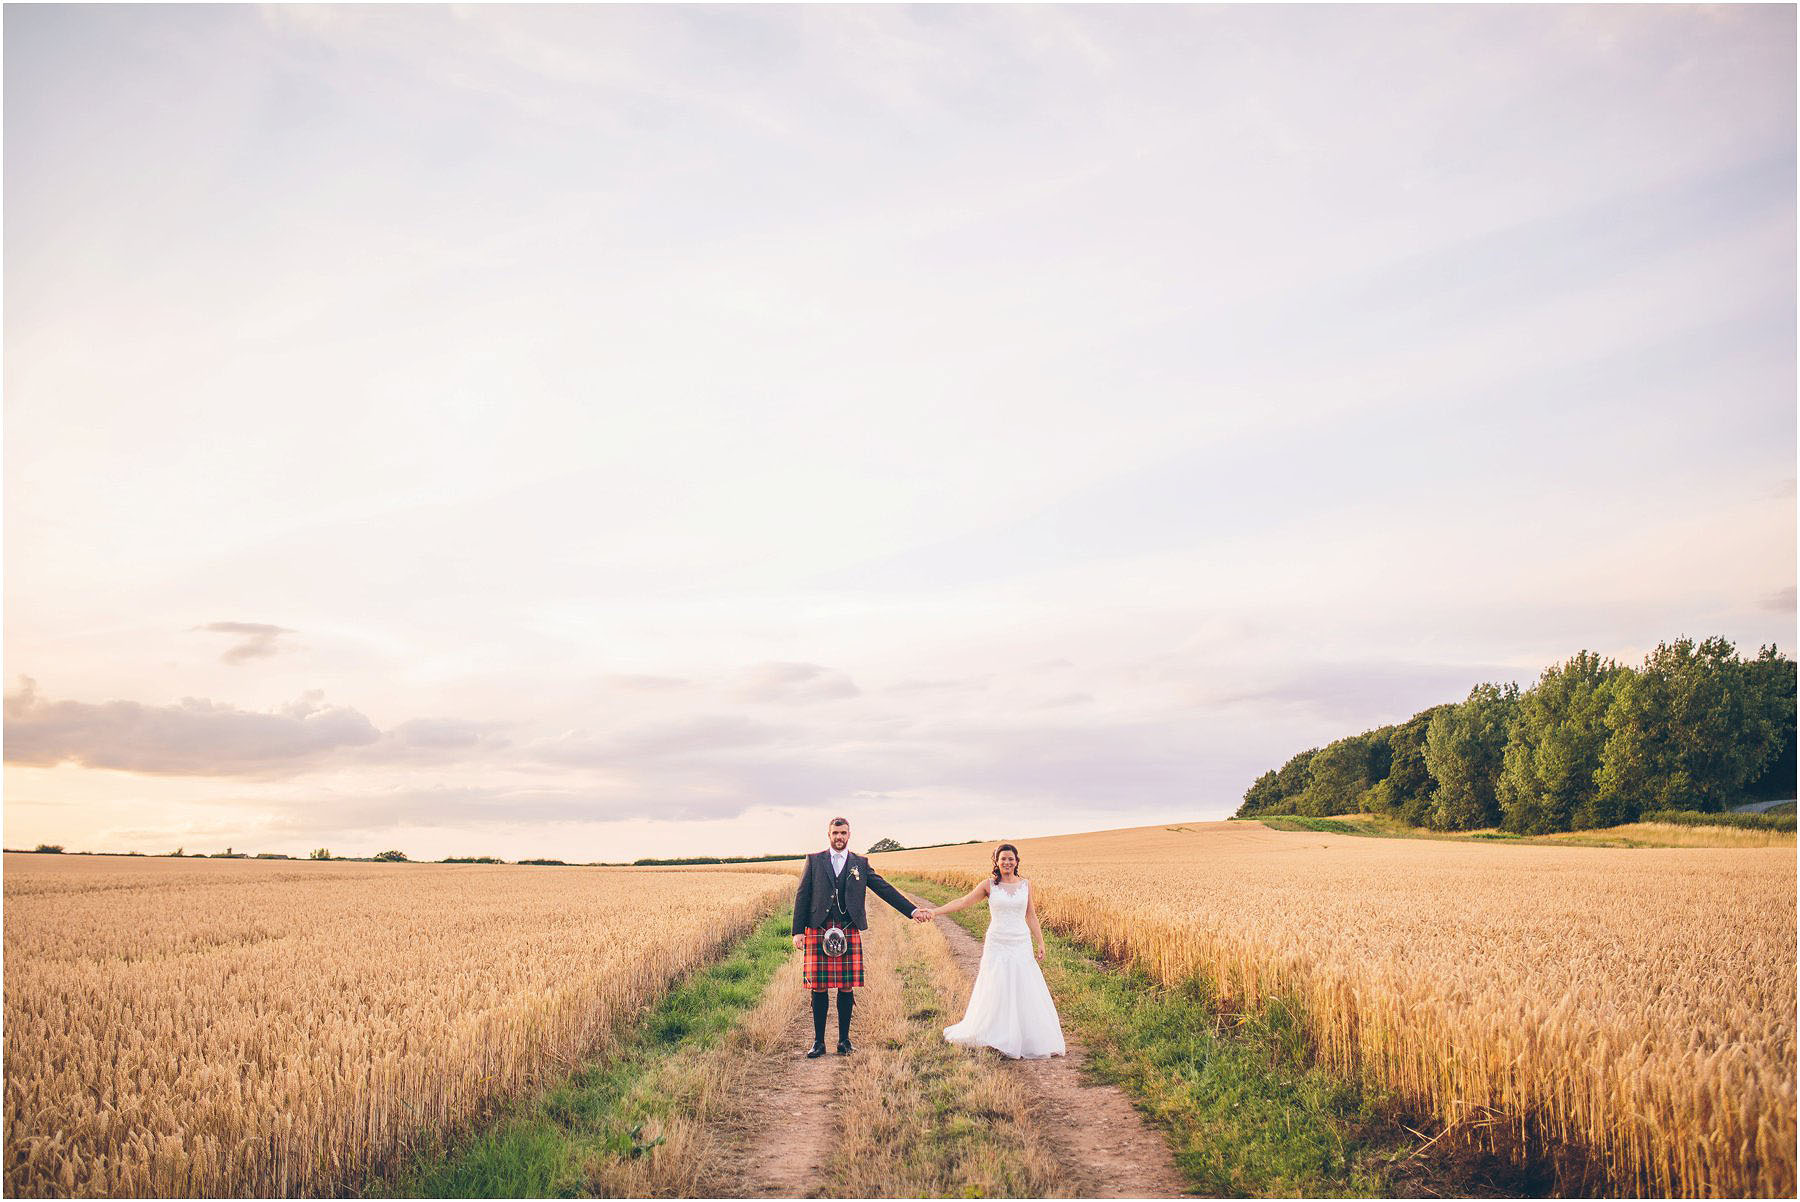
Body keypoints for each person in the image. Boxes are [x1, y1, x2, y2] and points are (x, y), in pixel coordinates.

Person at [791, 816, 932, 1058]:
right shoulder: (814, 861)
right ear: (829, 835)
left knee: (846, 986)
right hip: (818, 927)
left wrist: (912, 910)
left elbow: (884, 889)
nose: (839, 837)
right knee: (819, 986)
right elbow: (802, 895)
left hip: (848, 927)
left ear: (849, 835)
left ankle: (844, 1041)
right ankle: (818, 1042)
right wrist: (797, 931)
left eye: (843, 833)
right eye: (835, 833)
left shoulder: (860, 863)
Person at [926, 843, 1066, 1060]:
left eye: (1011, 859)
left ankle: (1026, 1036)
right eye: (1003, 859)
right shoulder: (989, 885)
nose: (1007, 863)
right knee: (996, 984)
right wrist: (935, 912)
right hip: (997, 942)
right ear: (996, 862)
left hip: (1020, 941)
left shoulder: (1026, 885)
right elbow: (963, 902)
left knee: (1024, 984)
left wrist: (1040, 941)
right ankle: (996, 1034)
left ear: (1017, 861)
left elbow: (1031, 915)